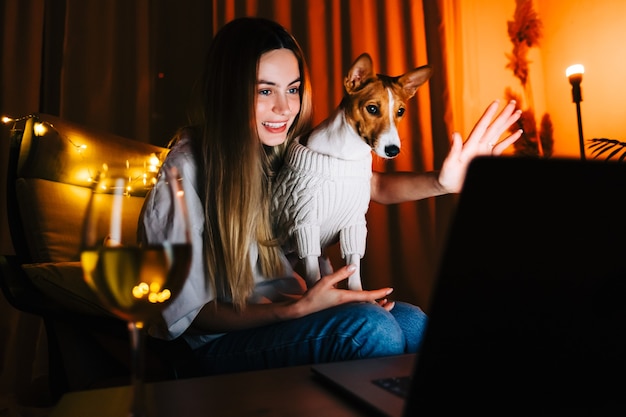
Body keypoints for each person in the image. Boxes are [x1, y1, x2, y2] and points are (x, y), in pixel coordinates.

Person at [138, 17, 522, 375]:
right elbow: (185, 311)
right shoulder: (186, 168)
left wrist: (443, 181)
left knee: (415, 324)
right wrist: (294, 310)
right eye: (264, 90)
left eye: (293, 89)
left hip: (295, 308)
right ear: (227, 91)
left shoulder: (289, 147)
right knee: (373, 331)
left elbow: (371, 186)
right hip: (216, 342)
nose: (284, 108)